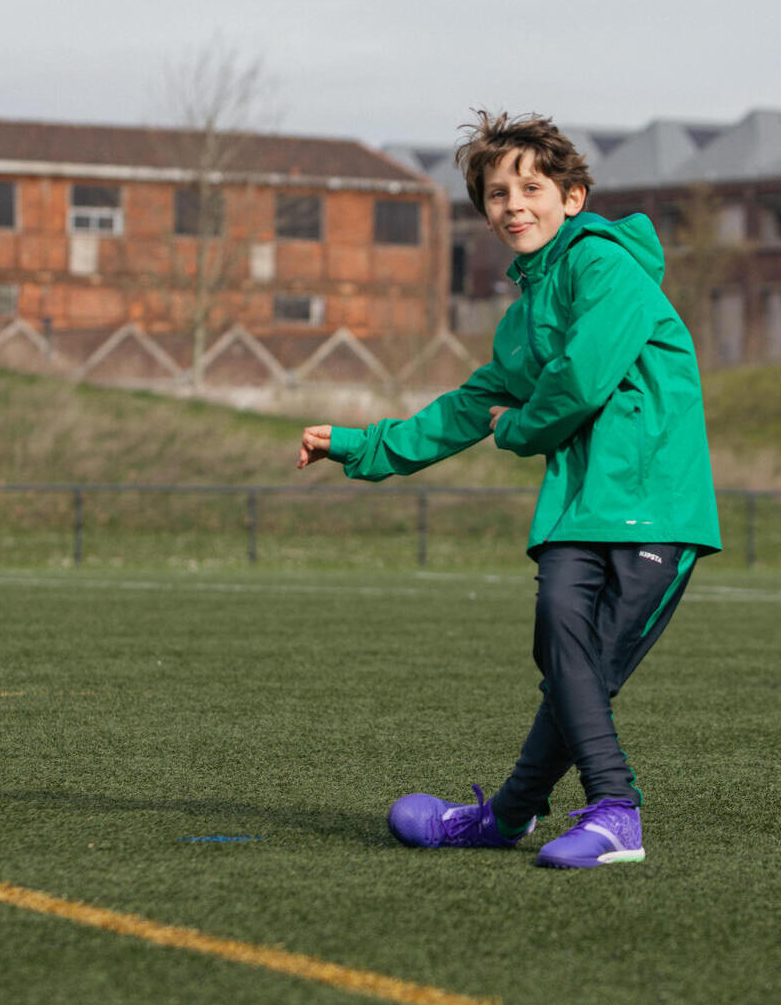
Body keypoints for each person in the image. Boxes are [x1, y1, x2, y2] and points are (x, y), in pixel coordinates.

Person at [297, 110, 719, 868]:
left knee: (586, 671)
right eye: (496, 194)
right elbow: (467, 409)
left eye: (531, 187)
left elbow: (581, 381)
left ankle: (583, 811)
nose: (514, 204)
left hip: (655, 505)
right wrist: (361, 445)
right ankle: (528, 816)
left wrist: (519, 430)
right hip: (573, 510)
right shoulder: (521, 322)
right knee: (562, 651)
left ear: (573, 198)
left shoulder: (605, 266)